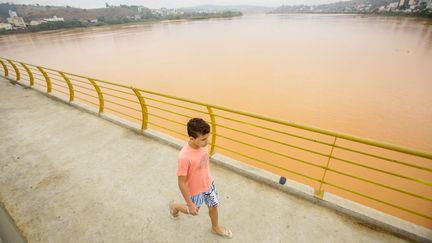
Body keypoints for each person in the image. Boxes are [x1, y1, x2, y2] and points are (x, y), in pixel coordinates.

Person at [169, 118, 233, 239]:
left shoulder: (203, 146)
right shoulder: (184, 157)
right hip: (195, 191)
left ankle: (215, 227)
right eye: (203, 139)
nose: (207, 142)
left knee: (214, 206)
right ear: (191, 138)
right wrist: (190, 204)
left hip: (209, 185)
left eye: (207, 137)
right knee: (193, 211)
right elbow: (181, 183)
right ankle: (175, 206)